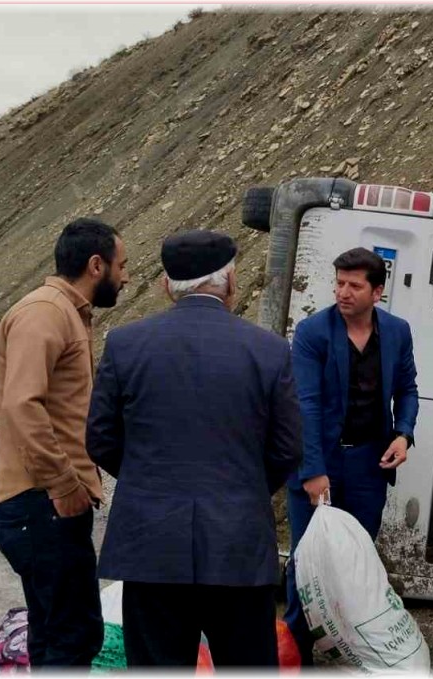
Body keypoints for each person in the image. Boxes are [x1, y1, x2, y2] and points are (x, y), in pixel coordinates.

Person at [87, 229, 301, 667]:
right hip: (238, 545)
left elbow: (100, 439)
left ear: (166, 286)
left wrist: (149, 479)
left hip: (152, 547)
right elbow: (288, 447)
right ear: (231, 282)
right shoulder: (269, 350)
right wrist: (245, 486)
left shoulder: (125, 345)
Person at [0, 218, 129, 667]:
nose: (125, 276)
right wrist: (63, 483)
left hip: (45, 504)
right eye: (121, 265)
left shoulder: (63, 313)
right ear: (96, 265)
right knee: (70, 640)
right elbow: (21, 404)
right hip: (42, 504)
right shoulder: (45, 314)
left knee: (59, 635)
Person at [283, 247, 419, 665]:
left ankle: (351, 647)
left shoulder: (396, 332)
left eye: (354, 285)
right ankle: (294, 653)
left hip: (367, 465)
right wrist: (313, 472)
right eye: (339, 282)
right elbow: (303, 403)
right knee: (306, 562)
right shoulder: (313, 332)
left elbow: (408, 389)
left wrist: (404, 434)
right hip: (319, 461)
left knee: (355, 559)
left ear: (377, 291)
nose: (343, 292)